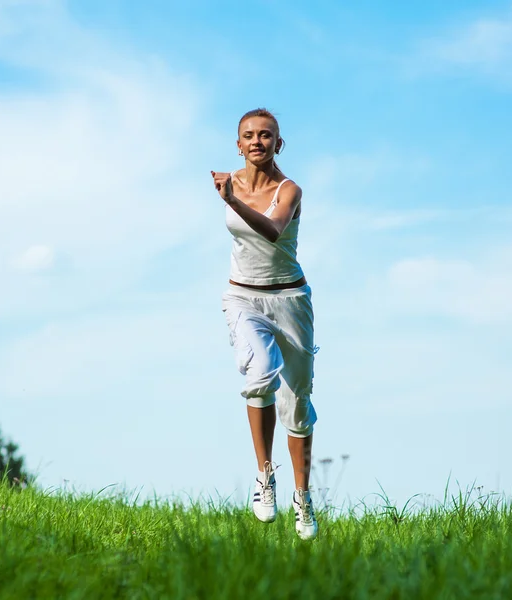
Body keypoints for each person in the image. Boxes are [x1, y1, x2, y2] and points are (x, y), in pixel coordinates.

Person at [211, 108, 318, 541]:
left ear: (279, 143)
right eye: (249, 136)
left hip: (290, 301)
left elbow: (273, 230)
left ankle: (303, 498)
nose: (257, 141)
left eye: (266, 135)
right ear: (239, 144)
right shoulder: (230, 181)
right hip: (243, 297)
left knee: (298, 407)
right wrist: (230, 195)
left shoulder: (288, 190)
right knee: (258, 375)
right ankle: (264, 476)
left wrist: (231, 201)